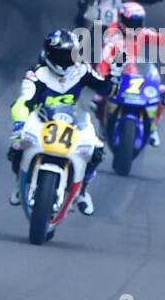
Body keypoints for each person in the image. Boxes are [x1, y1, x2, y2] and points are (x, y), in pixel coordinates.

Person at [8, 29, 119, 216]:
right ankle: (20, 182)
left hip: (72, 120)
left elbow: (105, 88)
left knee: (98, 149)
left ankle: (82, 190)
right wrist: (19, 123)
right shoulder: (36, 75)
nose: (66, 60)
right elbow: (22, 102)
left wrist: (113, 76)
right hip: (41, 119)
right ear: (49, 54)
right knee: (17, 146)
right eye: (61, 55)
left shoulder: (81, 70)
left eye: (70, 55)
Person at [96, 2, 165, 146]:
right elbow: (105, 55)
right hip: (113, 74)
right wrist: (103, 75)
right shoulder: (112, 32)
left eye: (138, 23)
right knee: (96, 100)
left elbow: (162, 40)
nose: (135, 26)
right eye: (131, 22)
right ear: (121, 19)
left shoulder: (142, 33)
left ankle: (152, 128)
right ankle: (103, 126)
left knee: (164, 94)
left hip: (134, 73)